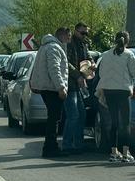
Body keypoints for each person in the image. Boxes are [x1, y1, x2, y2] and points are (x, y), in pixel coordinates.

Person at [95, 31, 135, 163]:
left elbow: (102, 72)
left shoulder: (106, 55)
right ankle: (126, 153)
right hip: (123, 90)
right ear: (127, 41)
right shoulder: (129, 54)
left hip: (109, 91)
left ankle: (114, 152)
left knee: (114, 122)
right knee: (125, 123)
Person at [30, 27, 71, 158]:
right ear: (63, 35)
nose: (69, 39)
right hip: (52, 88)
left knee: (53, 118)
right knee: (54, 119)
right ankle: (50, 148)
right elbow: (54, 69)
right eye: (68, 36)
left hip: (47, 87)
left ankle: (51, 146)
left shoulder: (46, 46)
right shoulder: (54, 48)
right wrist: (61, 87)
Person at [63, 22, 94, 153]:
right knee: (73, 115)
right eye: (82, 32)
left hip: (79, 84)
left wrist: (92, 64)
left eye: (86, 33)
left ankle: (78, 144)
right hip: (70, 84)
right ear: (76, 31)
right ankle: (67, 145)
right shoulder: (69, 44)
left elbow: (86, 58)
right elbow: (66, 63)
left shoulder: (84, 44)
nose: (84, 35)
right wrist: (78, 76)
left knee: (81, 114)